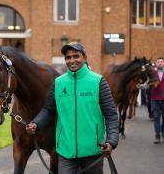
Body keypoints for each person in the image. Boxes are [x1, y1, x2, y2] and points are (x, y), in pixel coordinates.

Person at [26, 42, 119, 174]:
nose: (72, 60)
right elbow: (48, 109)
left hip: (93, 151)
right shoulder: (58, 83)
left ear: (85, 58)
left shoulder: (98, 82)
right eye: (68, 57)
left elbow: (111, 115)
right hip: (65, 151)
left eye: (76, 56)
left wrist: (112, 141)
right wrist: (36, 123)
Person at [150, 57, 164, 144]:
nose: (160, 63)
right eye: (158, 62)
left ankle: (163, 130)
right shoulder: (152, 73)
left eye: (161, 62)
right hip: (154, 98)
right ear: (156, 63)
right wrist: (142, 86)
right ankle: (157, 135)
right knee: (156, 117)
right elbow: (148, 83)